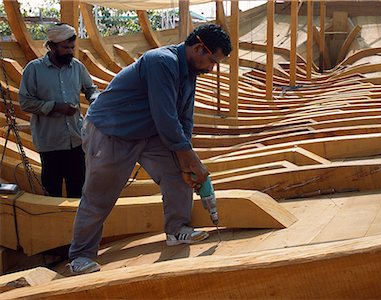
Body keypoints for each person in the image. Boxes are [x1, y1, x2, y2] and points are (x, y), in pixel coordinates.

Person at [68, 24, 232, 275]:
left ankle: (178, 229)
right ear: (199, 48)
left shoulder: (190, 72)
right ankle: (80, 256)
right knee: (99, 195)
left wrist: (187, 160)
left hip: (148, 131)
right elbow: (165, 116)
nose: (211, 68)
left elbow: (184, 118)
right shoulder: (161, 61)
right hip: (112, 131)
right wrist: (190, 157)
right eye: (211, 61)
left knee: (178, 172)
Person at [19, 23, 99, 198]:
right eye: (65, 48)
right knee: (52, 189)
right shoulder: (34, 69)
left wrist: (95, 101)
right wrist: (55, 107)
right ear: (52, 46)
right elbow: (25, 102)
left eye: (71, 47)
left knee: (78, 189)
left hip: (76, 140)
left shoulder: (77, 67)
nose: (70, 51)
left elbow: (91, 89)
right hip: (50, 142)